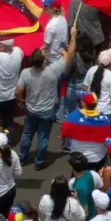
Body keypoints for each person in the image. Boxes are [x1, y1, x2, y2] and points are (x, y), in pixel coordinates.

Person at [17, 23, 77, 169]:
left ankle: (23, 158)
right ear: (44, 61)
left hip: (31, 109)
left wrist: (20, 102)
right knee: (43, 137)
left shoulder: (25, 73)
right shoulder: (52, 71)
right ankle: (39, 162)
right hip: (48, 110)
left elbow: (18, 90)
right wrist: (73, 35)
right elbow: (70, 55)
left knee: (27, 134)